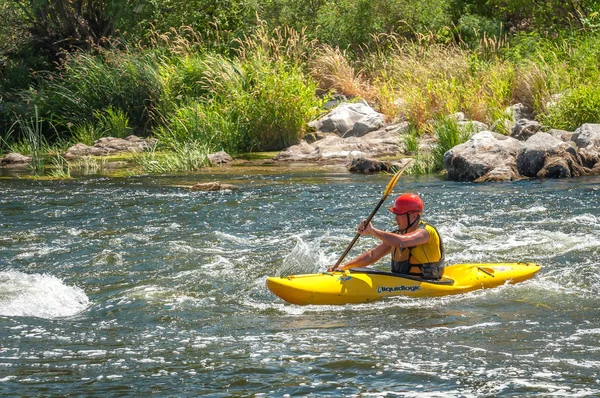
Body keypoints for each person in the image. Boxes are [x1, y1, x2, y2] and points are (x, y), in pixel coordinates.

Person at [328, 193, 445, 280]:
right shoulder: (397, 235)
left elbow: (402, 242)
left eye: (399, 215)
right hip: (402, 281)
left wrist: (372, 231)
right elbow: (372, 255)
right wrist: (345, 266)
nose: (395, 219)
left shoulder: (426, 232)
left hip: (427, 282)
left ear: (413, 215)